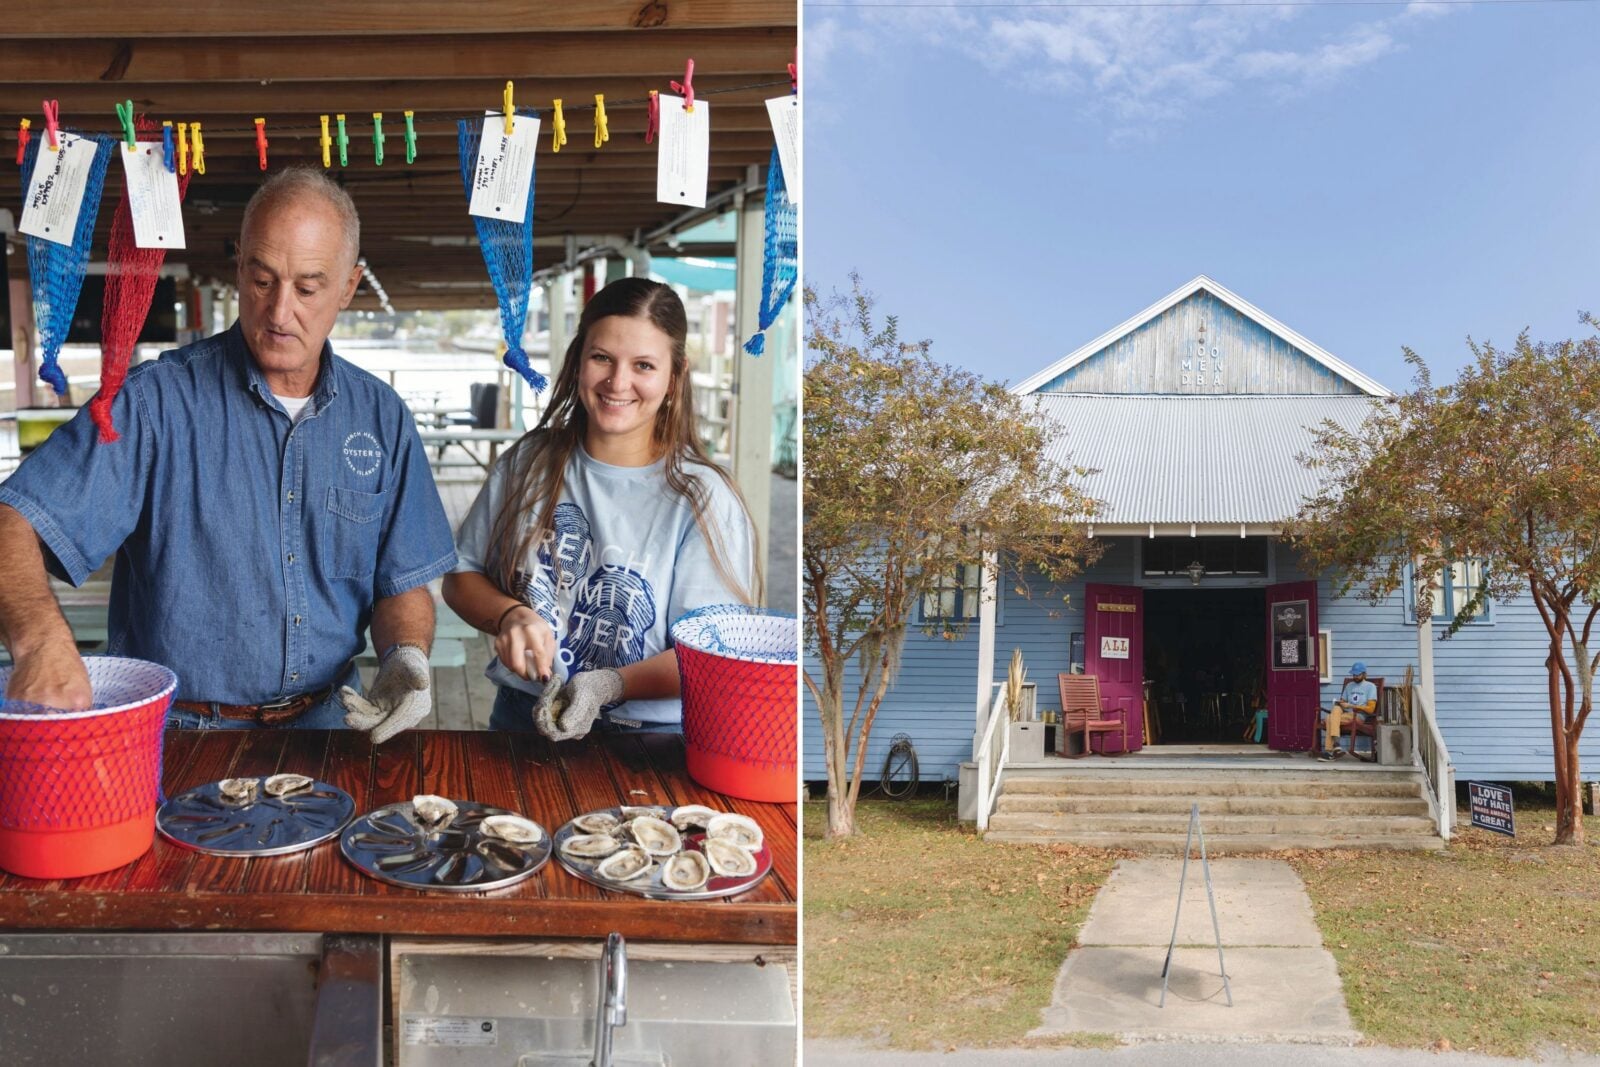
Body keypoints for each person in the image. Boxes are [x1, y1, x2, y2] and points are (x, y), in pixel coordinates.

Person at [0, 169, 455, 741]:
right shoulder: (155, 403)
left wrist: (404, 657)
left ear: (348, 286)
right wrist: (41, 642)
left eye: (309, 288)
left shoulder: (381, 417)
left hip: (328, 726)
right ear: (240, 267)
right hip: (180, 732)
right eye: (262, 280)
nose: (279, 312)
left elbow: (402, 580)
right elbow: (13, 519)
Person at [441, 277, 759, 740]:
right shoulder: (528, 462)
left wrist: (612, 684)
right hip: (521, 715)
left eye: (644, 365)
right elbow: (461, 575)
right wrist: (511, 615)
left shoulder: (704, 497)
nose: (618, 382)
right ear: (577, 361)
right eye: (602, 358)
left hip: (646, 738)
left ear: (675, 376)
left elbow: (714, 650)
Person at [1315, 662, 1379, 761]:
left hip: (1357, 715)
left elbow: (1370, 709)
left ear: (1364, 674)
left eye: (1358, 674)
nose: (1355, 676)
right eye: (1354, 674)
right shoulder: (1349, 685)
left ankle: (1330, 751)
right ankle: (1336, 747)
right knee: (1336, 708)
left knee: (1328, 719)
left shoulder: (1370, 687)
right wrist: (1340, 703)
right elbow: (1344, 701)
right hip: (1344, 714)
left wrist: (1351, 705)